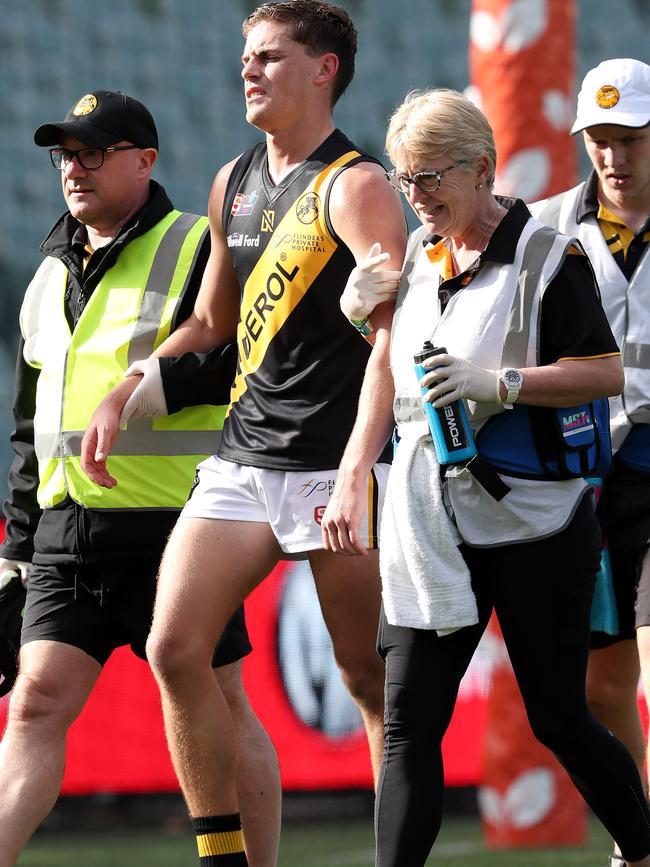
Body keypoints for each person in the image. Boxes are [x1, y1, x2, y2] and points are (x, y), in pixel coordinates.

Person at [80, 4, 406, 865]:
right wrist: (128, 388)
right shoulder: (232, 181)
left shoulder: (359, 185)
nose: (249, 71)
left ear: (324, 69)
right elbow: (210, 324)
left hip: (336, 469)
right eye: (246, 57)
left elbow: (393, 346)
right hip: (245, 458)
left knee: (370, 682)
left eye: (270, 56)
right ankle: (226, 859)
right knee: (173, 647)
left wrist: (355, 473)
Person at [322, 88, 650, 867]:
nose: (416, 196)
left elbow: (603, 375)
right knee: (407, 721)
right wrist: (350, 470)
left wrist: (499, 384)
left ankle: (640, 849)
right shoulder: (415, 252)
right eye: (405, 179)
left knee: (559, 716)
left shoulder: (547, 253)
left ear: (482, 168)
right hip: (428, 524)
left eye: (431, 177)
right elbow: (386, 372)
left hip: (533, 522)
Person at [0, 90, 280, 867]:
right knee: (33, 705)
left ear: (143, 161)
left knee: (223, 703)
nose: (73, 169)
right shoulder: (47, 272)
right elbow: (31, 425)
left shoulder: (197, 242)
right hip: (65, 532)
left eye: (93, 152)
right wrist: (16, 549)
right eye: (64, 155)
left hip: (179, 526)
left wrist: (142, 390)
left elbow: (233, 358)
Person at [530, 58, 650, 867]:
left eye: (631, 137)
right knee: (603, 688)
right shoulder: (538, 228)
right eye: (600, 139)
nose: (614, 156)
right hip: (579, 475)